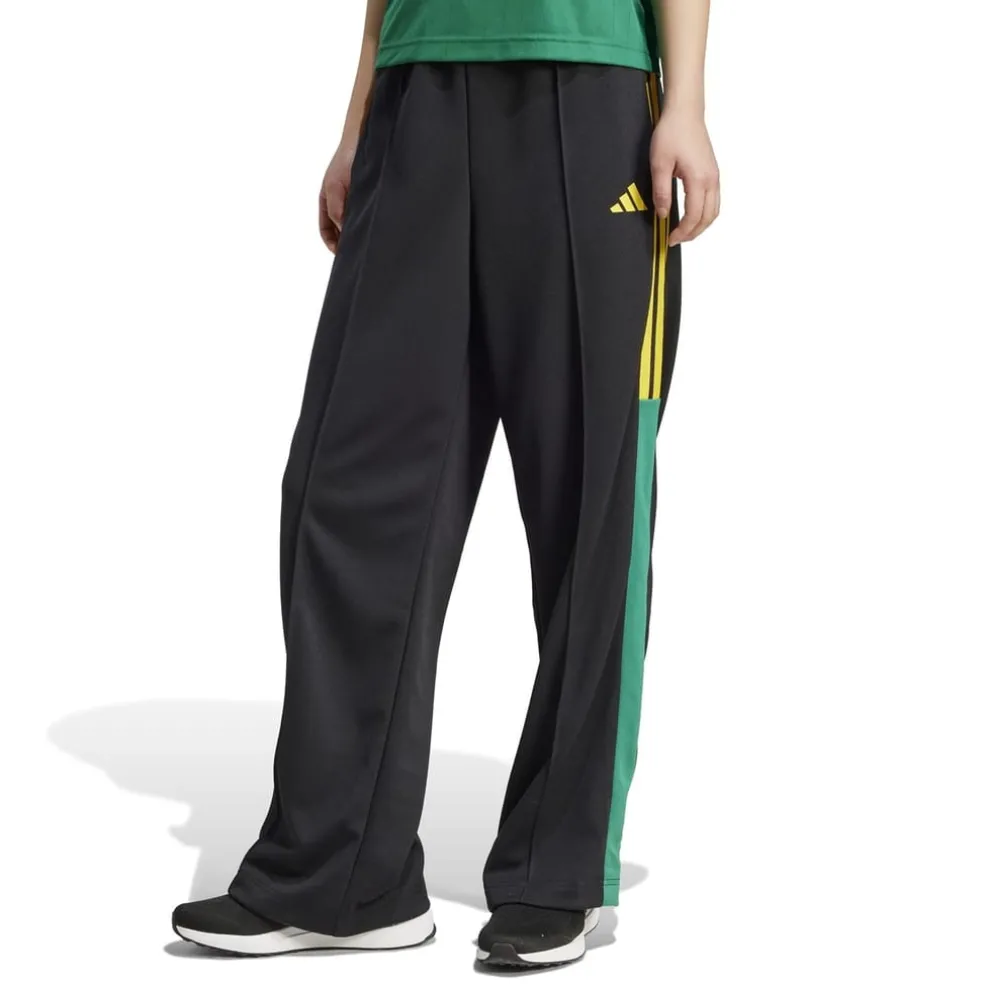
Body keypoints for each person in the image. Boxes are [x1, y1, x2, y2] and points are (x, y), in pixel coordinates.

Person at [171, 0, 719, 969]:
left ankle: (558, 871)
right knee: (349, 493)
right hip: (417, 92)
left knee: (589, 506)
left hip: (592, 86)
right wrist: (359, 122)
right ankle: (342, 875)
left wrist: (687, 104)